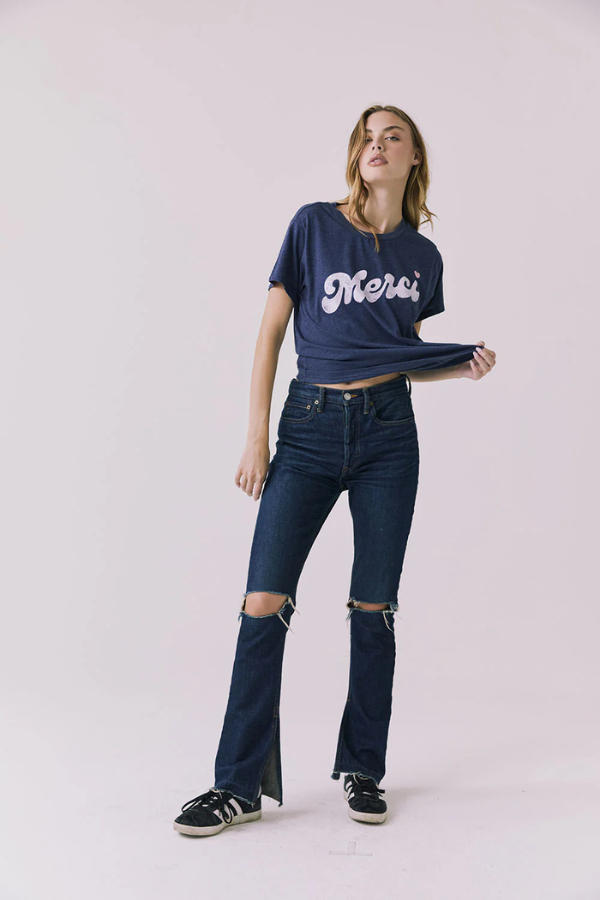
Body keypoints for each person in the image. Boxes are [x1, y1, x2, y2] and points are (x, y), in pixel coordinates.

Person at [173, 104, 497, 838]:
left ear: (414, 158)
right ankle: (236, 786)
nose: (377, 146)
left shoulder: (422, 258)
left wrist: (459, 367)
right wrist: (256, 437)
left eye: (392, 137)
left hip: (389, 435)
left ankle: (363, 769)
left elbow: (401, 355)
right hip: (308, 428)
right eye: (367, 138)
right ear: (356, 155)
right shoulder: (313, 226)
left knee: (373, 606)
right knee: (263, 600)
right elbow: (270, 333)